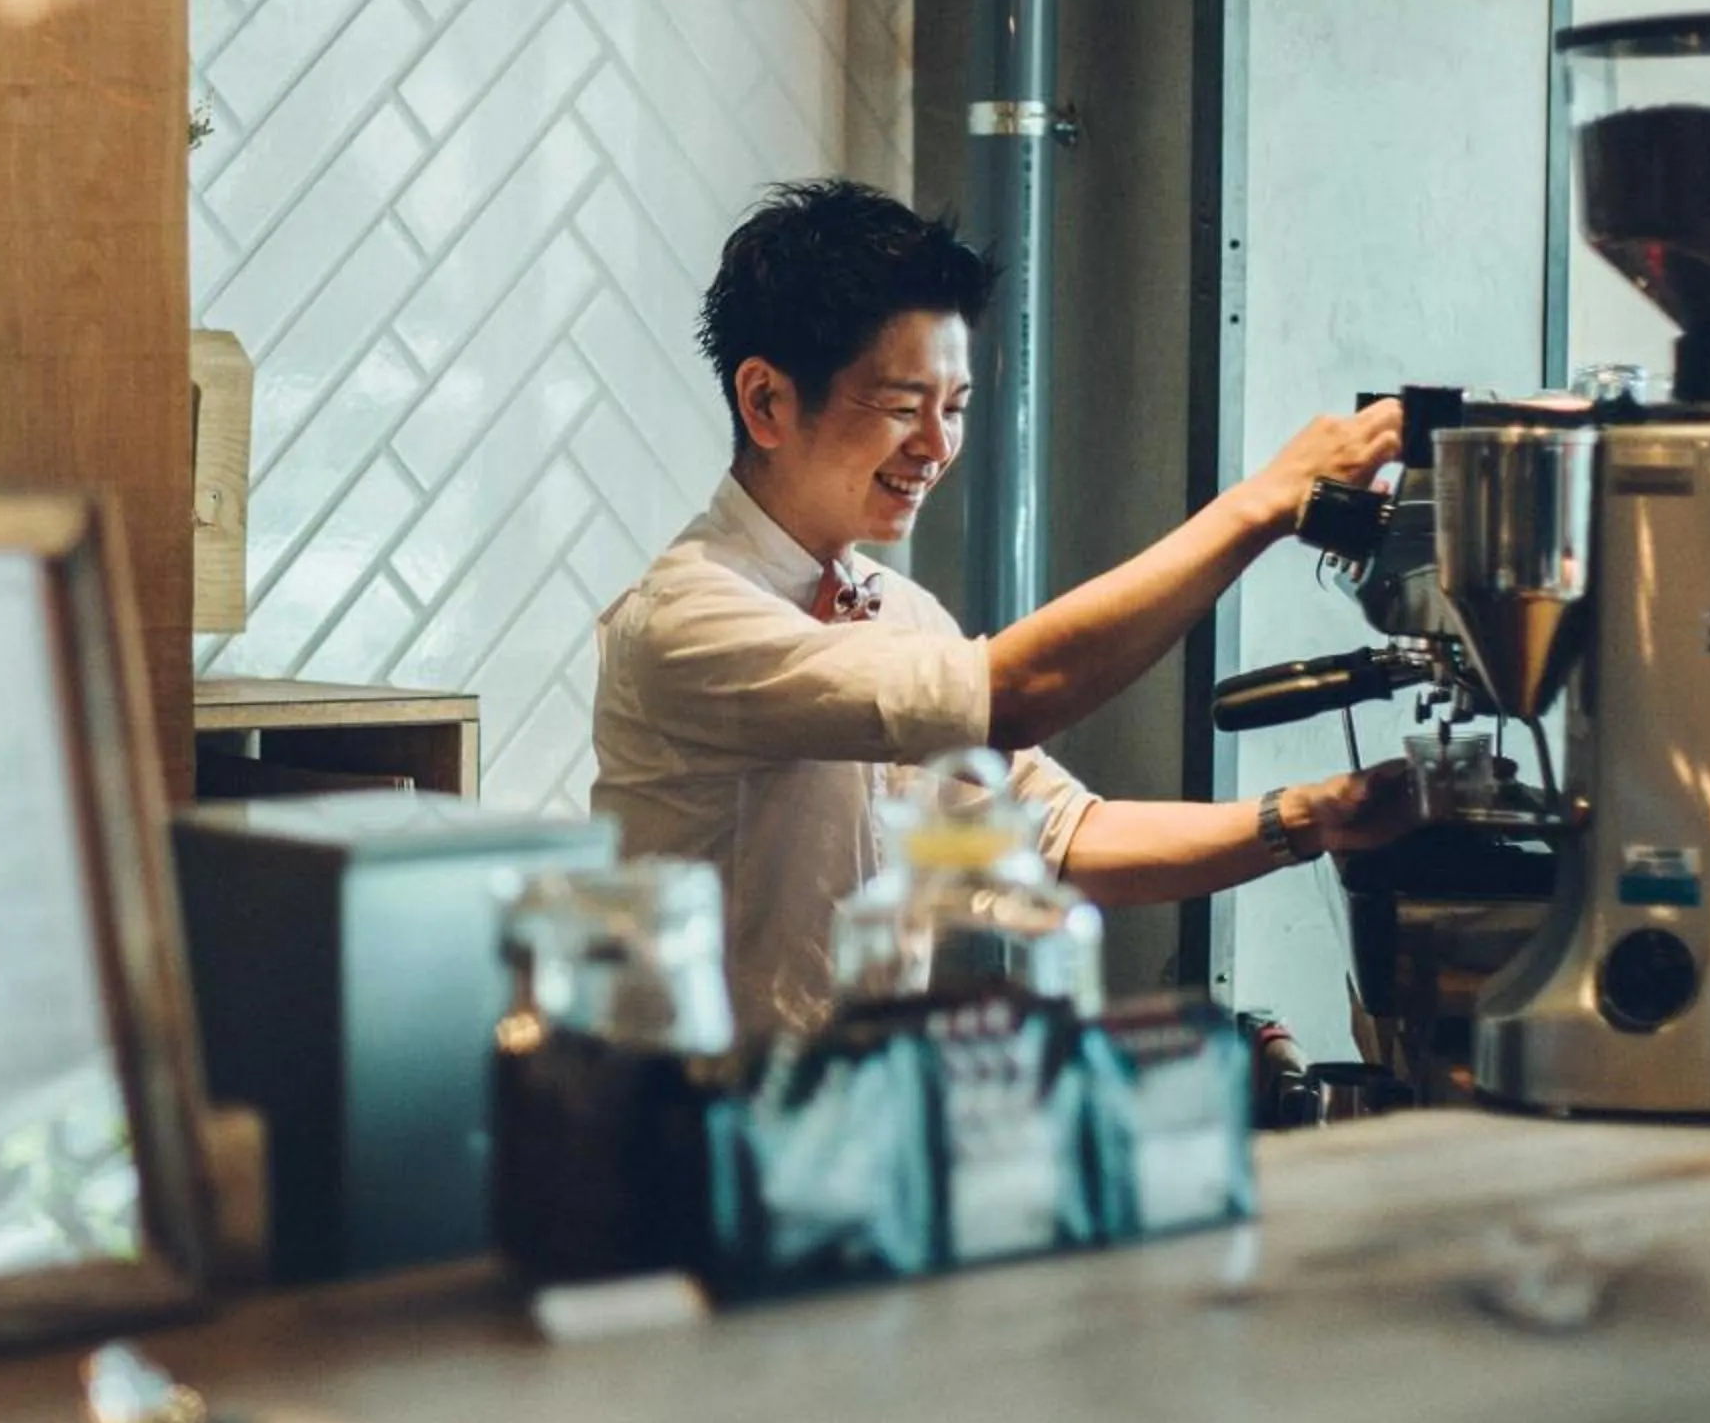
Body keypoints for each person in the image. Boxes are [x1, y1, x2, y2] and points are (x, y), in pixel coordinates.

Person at [591, 177, 1419, 1033]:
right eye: (903, 406)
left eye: (954, 408)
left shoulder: (895, 614)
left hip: (856, 1128)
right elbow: (1019, 693)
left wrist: (1312, 817)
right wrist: (1259, 506)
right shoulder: (688, 619)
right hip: (697, 1137)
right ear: (766, 400)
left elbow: (1058, 839)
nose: (938, 446)